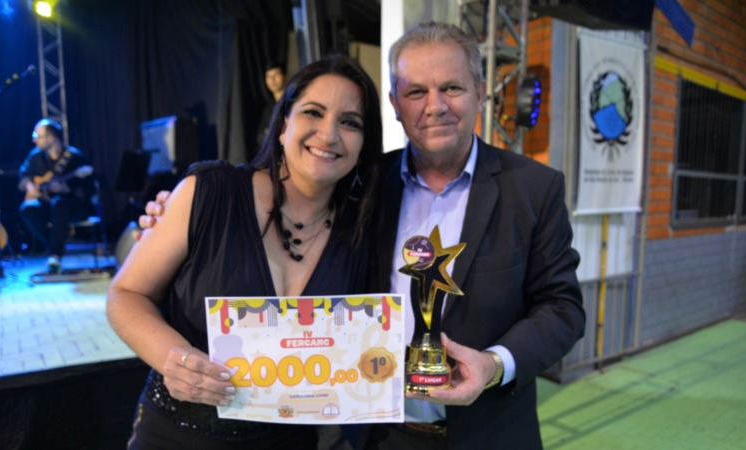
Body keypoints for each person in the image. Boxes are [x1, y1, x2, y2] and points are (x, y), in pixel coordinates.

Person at [141, 22, 586, 450]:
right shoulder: (363, 187)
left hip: (490, 433)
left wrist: (494, 364)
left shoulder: (534, 188)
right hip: (378, 435)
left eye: (451, 87)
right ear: (395, 103)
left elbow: (563, 308)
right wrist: (176, 210)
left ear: (480, 91)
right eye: (416, 92)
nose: (435, 106)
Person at [107, 55, 382, 450]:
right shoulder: (210, 191)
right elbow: (126, 293)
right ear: (283, 124)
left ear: (364, 143)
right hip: (177, 436)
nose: (329, 134)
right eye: (313, 112)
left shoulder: (362, 230)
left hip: (290, 443)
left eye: (350, 122)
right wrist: (173, 358)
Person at [18, 118, 94, 273]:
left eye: (37, 136)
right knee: (27, 209)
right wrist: (30, 186)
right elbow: (23, 178)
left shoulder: (74, 157)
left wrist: (68, 190)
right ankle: (54, 246)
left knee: (59, 202)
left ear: (51, 137)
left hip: (73, 207)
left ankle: (55, 255)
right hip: (47, 205)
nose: (34, 140)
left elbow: (89, 190)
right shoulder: (35, 157)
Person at [256, 61, 287, 150]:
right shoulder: (268, 107)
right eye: (268, 77)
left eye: (276, 75)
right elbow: (260, 136)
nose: (272, 80)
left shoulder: (293, 102)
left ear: (285, 76)